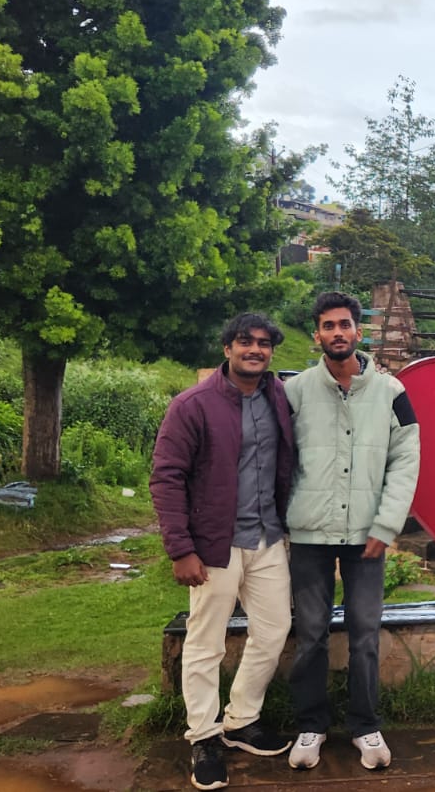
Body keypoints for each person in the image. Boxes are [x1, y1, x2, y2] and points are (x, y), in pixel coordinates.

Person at [151, 313, 295, 791]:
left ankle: (242, 720)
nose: (254, 350)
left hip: (268, 538)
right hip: (214, 545)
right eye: (244, 342)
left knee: (274, 630)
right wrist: (180, 549)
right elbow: (166, 477)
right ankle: (205, 735)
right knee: (206, 642)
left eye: (263, 343)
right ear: (227, 347)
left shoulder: (277, 396)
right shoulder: (193, 405)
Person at [285, 291, 421, 772]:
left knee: (365, 632)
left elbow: (406, 461)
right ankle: (311, 725)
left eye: (345, 324)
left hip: (368, 533)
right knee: (311, 633)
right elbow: (279, 459)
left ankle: (365, 725)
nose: (337, 333)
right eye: (328, 326)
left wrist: (387, 524)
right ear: (317, 334)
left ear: (358, 331)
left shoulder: (392, 393)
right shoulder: (295, 392)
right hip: (308, 532)